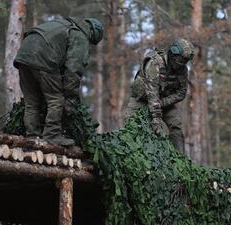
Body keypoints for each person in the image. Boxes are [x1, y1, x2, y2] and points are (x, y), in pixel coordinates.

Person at [13, 17, 104, 146]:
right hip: (44, 59)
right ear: (93, 34)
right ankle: (52, 135)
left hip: (23, 56)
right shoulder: (80, 36)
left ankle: (32, 135)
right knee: (56, 99)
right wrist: (71, 98)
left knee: (32, 101)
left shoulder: (63, 24)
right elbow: (73, 69)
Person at [125, 39, 194, 154]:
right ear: (173, 54)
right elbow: (152, 94)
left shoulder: (183, 70)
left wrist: (163, 103)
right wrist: (156, 120)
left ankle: (181, 160)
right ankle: (132, 156)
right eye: (180, 60)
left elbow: (181, 93)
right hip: (142, 99)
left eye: (185, 61)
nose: (181, 64)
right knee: (131, 126)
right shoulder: (155, 63)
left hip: (164, 101)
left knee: (177, 128)